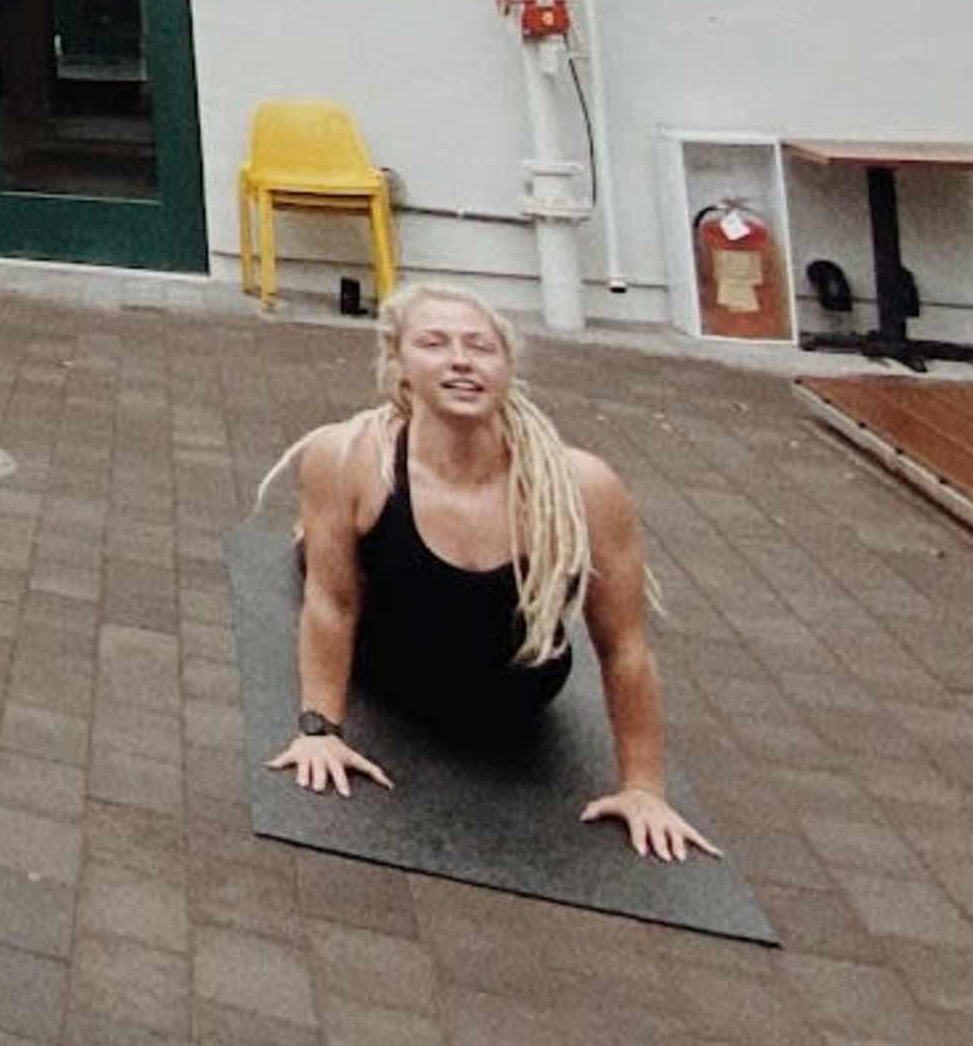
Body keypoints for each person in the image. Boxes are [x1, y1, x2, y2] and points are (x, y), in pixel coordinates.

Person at [264, 283, 717, 862]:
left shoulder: (584, 487)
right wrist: (318, 730)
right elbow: (332, 603)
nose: (460, 359)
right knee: (320, 556)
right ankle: (315, 533)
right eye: (434, 343)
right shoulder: (346, 457)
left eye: (481, 347)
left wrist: (644, 788)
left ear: (507, 369)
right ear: (398, 366)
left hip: (515, 694)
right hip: (394, 668)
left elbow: (625, 646)